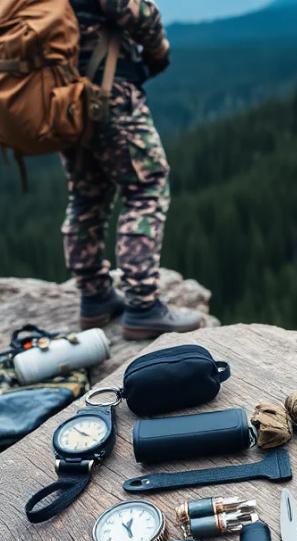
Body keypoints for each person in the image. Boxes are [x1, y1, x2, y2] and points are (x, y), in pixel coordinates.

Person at [64, 0, 203, 338]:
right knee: (147, 186)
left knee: (87, 193)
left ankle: (94, 296)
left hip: (61, 97)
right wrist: (158, 52)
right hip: (108, 89)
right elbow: (136, 11)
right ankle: (142, 305)